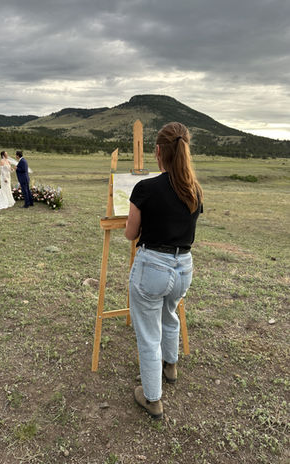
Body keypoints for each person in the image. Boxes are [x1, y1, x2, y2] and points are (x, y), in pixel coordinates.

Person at [125, 122, 203, 420]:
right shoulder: (194, 189)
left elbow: (131, 234)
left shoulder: (145, 188)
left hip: (152, 267)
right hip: (183, 266)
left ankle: (152, 398)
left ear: (158, 152)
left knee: (148, 334)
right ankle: (170, 367)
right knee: (170, 315)